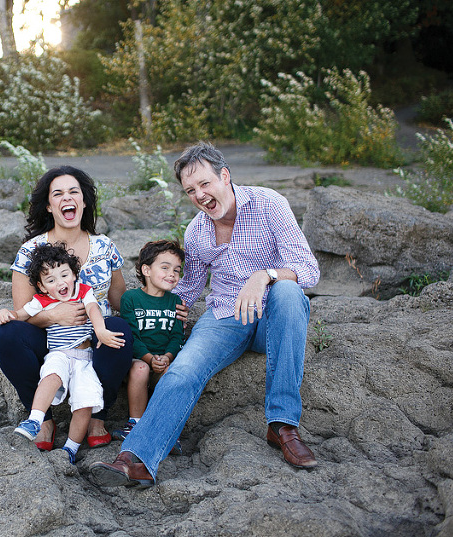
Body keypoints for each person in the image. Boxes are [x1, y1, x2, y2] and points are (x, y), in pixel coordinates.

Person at [91, 141, 320, 488]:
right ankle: (135, 459)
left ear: (224, 176)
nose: (199, 195)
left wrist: (265, 276)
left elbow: (308, 269)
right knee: (184, 369)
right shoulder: (196, 232)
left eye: (205, 183)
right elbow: (188, 288)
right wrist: (148, 313)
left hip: (274, 315)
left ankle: (283, 426)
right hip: (225, 316)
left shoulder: (269, 204)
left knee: (289, 292)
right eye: (190, 190)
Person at [0, 165, 134, 452]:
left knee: (119, 328)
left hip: (94, 338)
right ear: (49, 206)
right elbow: (23, 314)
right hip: (50, 339)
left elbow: (120, 301)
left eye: (74, 192)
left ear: (84, 201)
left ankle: (97, 416)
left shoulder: (105, 246)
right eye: (57, 193)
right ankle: (42, 419)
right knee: (8, 335)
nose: (67, 197)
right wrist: (54, 315)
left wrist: (161, 303)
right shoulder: (31, 250)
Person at [0, 243, 126, 463]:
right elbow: (20, 315)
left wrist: (100, 330)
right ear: (42, 286)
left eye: (64, 275)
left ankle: (71, 448)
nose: (60, 283)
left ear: (74, 274)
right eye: (51, 280)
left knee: (84, 401)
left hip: (85, 358)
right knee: (51, 377)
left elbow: (93, 308)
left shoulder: (83, 291)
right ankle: (35, 420)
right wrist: (5, 313)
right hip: (59, 354)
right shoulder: (42, 301)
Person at [113, 240, 185, 449]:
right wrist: (149, 358)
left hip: (164, 360)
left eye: (176, 270)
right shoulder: (131, 298)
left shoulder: (175, 301)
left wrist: (167, 357)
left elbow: (176, 336)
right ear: (146, 270)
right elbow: (132, 336)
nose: (172, 274)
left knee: (173, 374)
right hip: (138, 360)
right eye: (165, 268)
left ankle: (165, 430)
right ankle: (135, 424)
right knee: (141, 369)